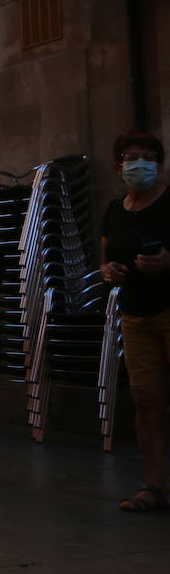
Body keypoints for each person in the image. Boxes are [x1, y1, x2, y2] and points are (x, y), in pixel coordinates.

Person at [98, 131, 170, 511]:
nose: (139, 163)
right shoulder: (114, 209)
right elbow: (106, 255)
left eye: (148, 157)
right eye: (131, 157)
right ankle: (154, 485)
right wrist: (107, 270)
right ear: (119, 165)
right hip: (135, 314)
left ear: (159, 163)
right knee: (145, 398)